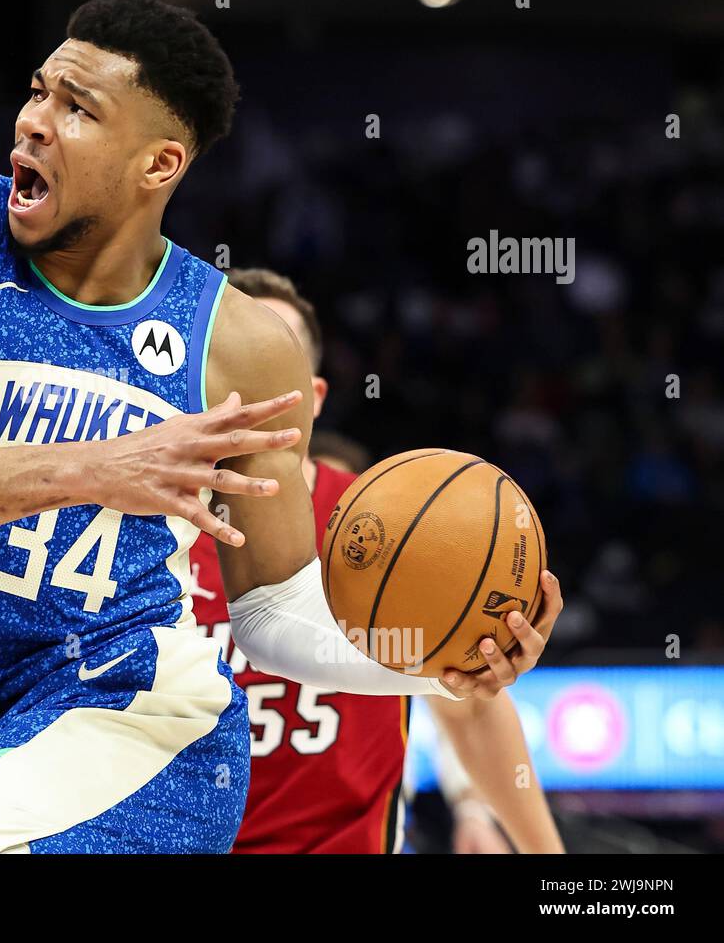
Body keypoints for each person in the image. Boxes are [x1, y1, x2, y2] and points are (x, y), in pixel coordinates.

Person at [0, 0, 563, 854]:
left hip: (139, 716)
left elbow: (271, 611)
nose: (35, 122)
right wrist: (87, 468)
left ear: (158, 165)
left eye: (78, 109)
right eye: (39, 92)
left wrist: (431, 661)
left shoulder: (241, 343)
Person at [190, 268, 565, 853]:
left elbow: (468, 705)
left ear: (312, 399)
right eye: (225, 373)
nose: (242, 396)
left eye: (264, 373)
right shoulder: (143, 529)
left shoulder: (393, 525)